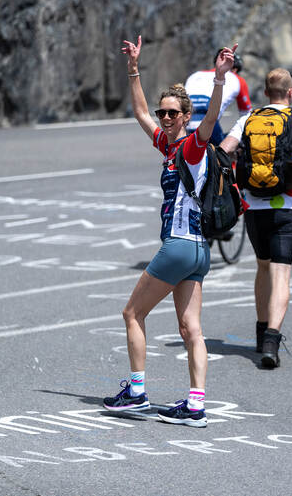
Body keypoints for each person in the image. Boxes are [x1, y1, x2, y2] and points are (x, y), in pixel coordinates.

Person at [101, 36, 237, 428]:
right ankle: (196, 406)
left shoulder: (193, 147)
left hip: (178, 246)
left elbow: (210, 120)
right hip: (198, 251)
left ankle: (137, 393)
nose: (163, 118)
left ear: (185, 116)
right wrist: (133, 69)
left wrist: (219, 80)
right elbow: (140, 113)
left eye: (172, 114)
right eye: (163, 113)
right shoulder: (168, 145)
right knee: (190, 328)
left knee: (132, 313)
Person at [219, 68, 292, 368]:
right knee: (282, 273)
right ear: (290, 92)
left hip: (253, 205)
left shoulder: (249, 119)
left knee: (262, 267)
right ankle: (271, 339)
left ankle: (259, 329)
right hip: (285, 204)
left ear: (265, 93)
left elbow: (225, 151)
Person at [185, 48, 252, 145]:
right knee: (224, 154)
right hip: (208, 124)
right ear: (235, 69)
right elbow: (246, 116)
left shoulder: (195, 75)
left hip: (184, 122)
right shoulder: (238, 79)